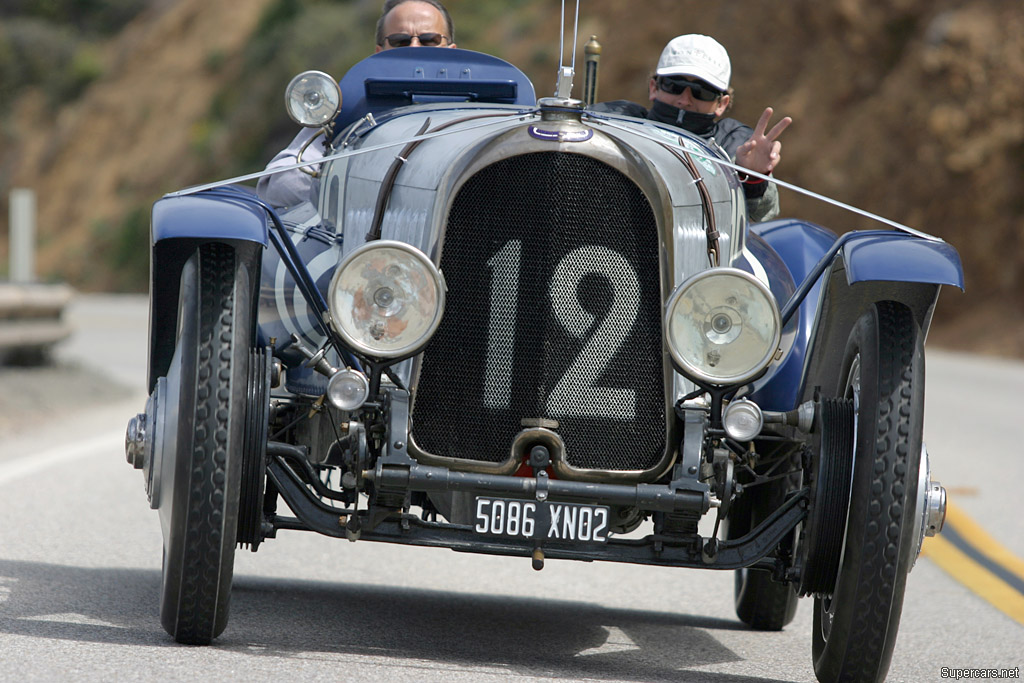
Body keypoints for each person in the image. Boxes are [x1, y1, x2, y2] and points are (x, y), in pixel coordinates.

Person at [258, 0, 457, 208]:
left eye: (429, 40)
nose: (414, 49)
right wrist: (354, 187)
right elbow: (279, 182)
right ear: (379, 52)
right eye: (400, 41)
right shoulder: (352, 108)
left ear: (453, 51)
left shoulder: (481, 110)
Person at [592, 34, 792, 223]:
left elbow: (763, 214)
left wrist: (753, 177)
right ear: (654, 87)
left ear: (722, 103)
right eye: (674, 85)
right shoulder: (612, 122)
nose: (684, 99)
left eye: (701, 91)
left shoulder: (735, 146)